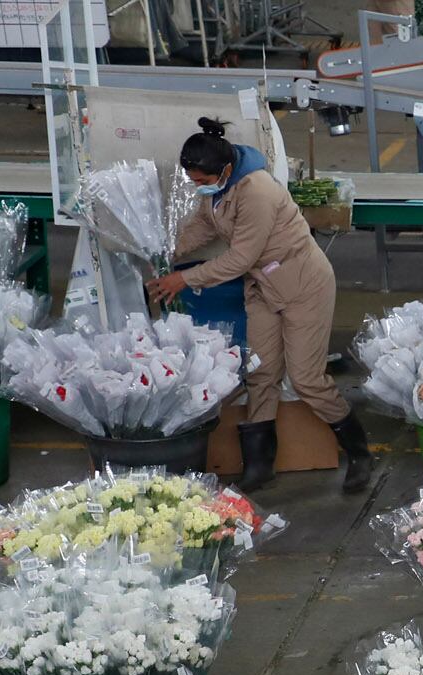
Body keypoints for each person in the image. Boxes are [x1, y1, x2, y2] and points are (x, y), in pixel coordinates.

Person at [146, 117, 372, 495]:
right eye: (194, 181)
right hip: (263, 288)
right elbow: (203, 226)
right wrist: (163, 250)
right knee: (260, 372)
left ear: (226, 169)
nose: (199, 187)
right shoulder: (218, 191)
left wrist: (183, 278)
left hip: (303, 284)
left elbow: (240, 258)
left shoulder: (257, 191)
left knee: (306, 378)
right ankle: (260, 465)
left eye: (203, 181)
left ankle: (359, 453)